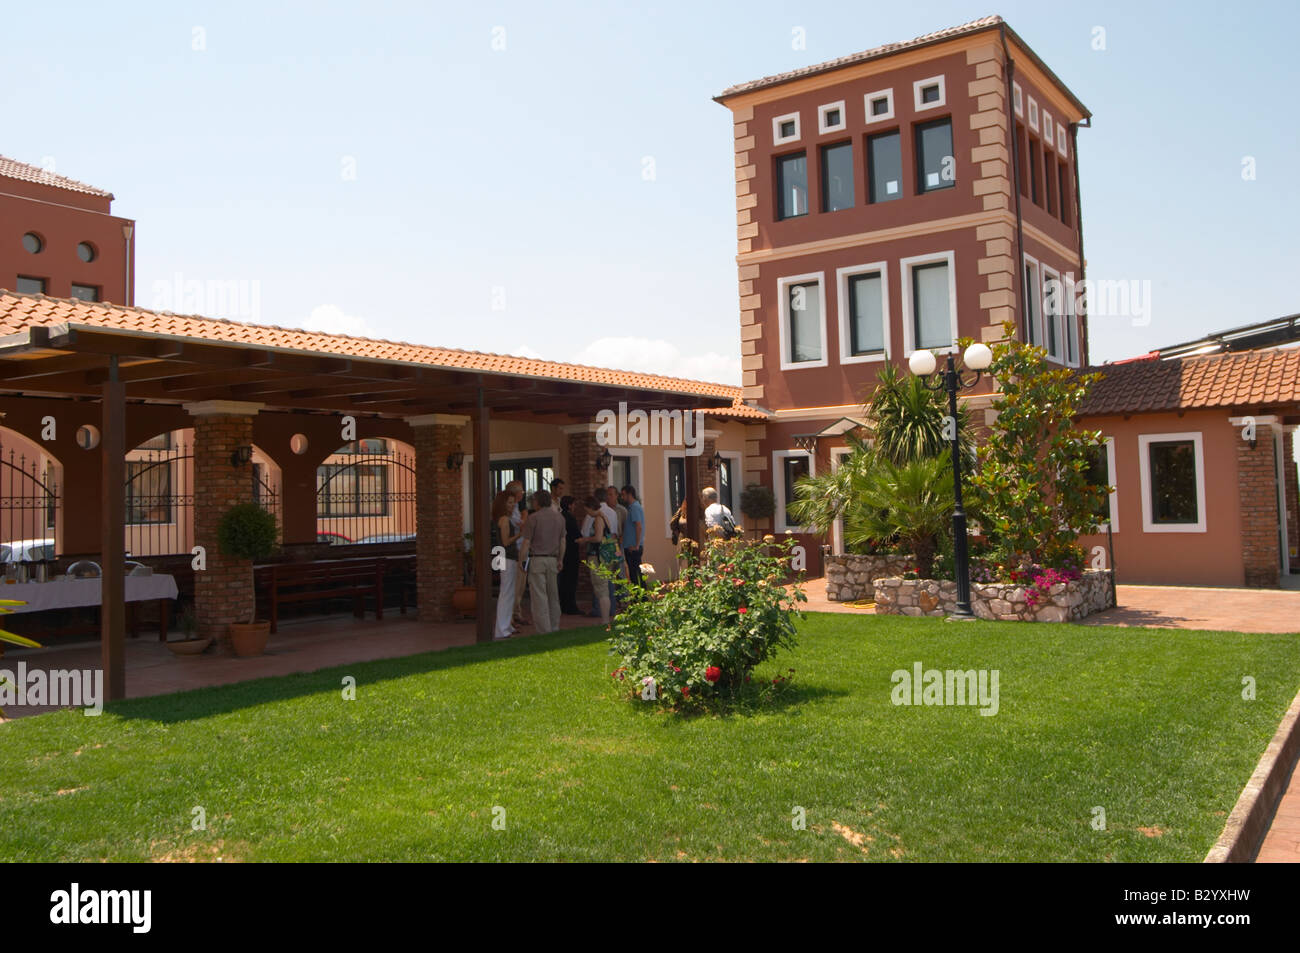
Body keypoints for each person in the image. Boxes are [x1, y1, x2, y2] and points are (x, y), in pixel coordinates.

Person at [519, 489, 566, 634]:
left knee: (539, 596)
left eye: (533, 500)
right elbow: (562, 541)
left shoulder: (533, 518)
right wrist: (560, 559)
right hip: (553, 559)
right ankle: (554, 626)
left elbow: (526, 542)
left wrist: (522, 560)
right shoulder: (559, 518)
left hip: (537, 559)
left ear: (538, 502)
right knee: (553, 595)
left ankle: (544, 630)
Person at [490, 489, 522, 640]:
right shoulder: (504, 520)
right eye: (509, 502)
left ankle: (506, 625)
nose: (512, 505)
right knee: (506, 592)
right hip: (507, 557)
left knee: (508, 592)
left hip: (504, 557)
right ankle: (502, 628)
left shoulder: (501, 519)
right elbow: (506, 542)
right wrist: (520, 534)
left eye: (512, 502)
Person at [576, 493, 613, 624]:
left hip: (598, 557)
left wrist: (585, 540)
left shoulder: (598, 519)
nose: (587, 513)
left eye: (587, 510)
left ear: (591, 507)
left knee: (601, 589)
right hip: (605, 557)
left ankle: (605, 620)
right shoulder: (604, 517)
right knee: (603, 588)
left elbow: (598, 538)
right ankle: (606, 619)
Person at [505, 480, 530, 627]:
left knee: (521, 583)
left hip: (522, 549)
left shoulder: (516, 508)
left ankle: (517, 612)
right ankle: (512, 616)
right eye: (521, 491)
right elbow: (520, 524)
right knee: (515, 583)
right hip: (515, 551)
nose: (522, 495)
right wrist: (525, 515)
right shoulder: (510, 510)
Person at [558, 495, 582, 614]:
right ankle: (570, 606)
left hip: (562, 552)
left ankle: (563, 604)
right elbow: (577, 535)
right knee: (571, 580)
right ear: (569, 505)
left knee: (563, 580)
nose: (575, 506)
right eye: (574, 504)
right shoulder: (570, 519)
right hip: (571, 552)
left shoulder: (560, 517)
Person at [620, 484, 645, 588]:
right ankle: (640, 599)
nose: (622, 497)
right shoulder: (633, 507)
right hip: (632, 546)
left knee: (636, 575)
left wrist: (636, 545)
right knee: (635, 574)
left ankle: (640, 600)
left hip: (633, 548)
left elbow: (638, 526)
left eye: (623, 495)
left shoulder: (634, 507)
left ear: (630, 494)